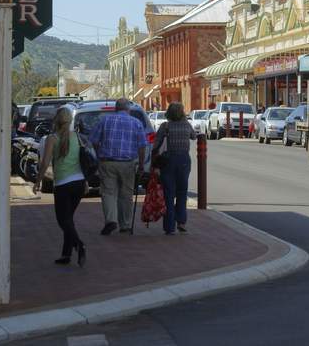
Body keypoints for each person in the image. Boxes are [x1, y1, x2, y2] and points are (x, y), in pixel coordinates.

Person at [34, 106, 87, 266]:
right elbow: (83, 161)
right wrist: (86, 181)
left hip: (63, 184)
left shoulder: (52, 138)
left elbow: (45, 162)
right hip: (78, 182)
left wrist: (38, 181)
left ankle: (79, 244)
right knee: (68, 219)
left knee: (63, 220)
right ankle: (66, 254)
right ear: (70, 120)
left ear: (56, 120)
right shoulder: (77, 137)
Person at [88, 99, 149, 235]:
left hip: (107, 161)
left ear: (115, 108)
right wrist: (141, 165)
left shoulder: (104, 120)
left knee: (108, 192)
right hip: (127, 164)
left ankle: (111, 219)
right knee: (126, 194)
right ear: (128, 109)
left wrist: (99, 155)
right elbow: (142, 146)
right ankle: (125, 224)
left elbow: (94, 140)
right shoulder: (136, 123)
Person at [152, 103, 195, 236]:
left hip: (169, 160)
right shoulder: (186, 125)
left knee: (169, 194)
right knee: (182, 192)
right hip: (184, 160)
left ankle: (169, 227)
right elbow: (193, 136)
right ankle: (181, 221)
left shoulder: (165, 126)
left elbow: (156, 144)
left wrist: (153, 161)